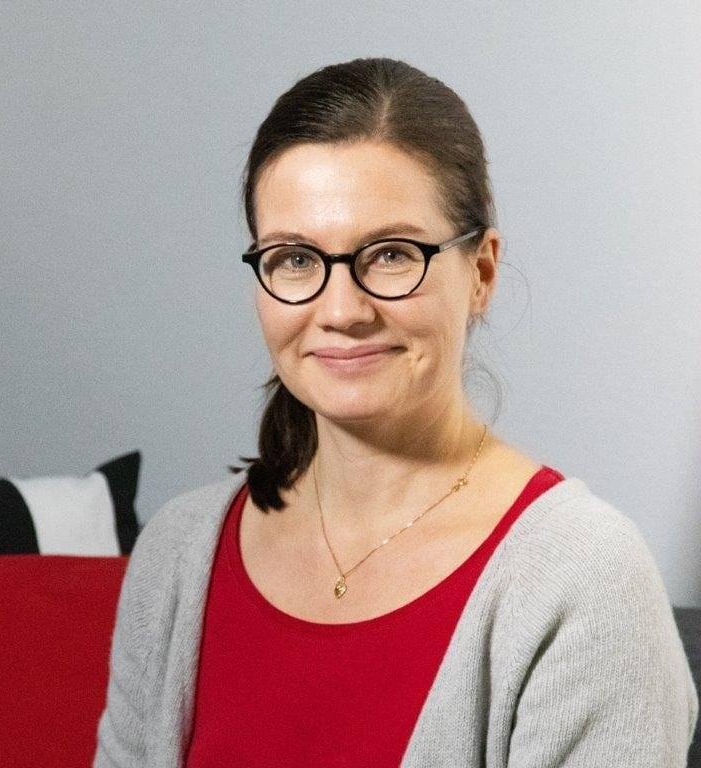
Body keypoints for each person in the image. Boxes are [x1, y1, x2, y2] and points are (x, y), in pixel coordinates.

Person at [93, 57, 698, 767]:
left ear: (482, 273)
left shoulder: (586, 582)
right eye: (295, 259)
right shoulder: (177, 554)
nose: (342, 310)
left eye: (390, 254)